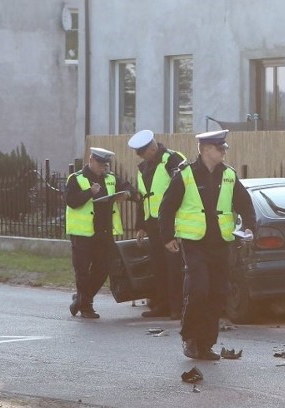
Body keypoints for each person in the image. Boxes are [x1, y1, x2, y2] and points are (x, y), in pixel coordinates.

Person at [158, 130, 256, 360]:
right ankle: (190, 339)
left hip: (221, 243)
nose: (223, 151)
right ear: (205, 150)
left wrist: (250, 225)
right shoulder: (185, 174)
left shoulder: (229, 175)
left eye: (224, 148)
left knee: (218, 293)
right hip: (195, 244)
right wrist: (167, 237)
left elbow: (244, 203)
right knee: (199, 290)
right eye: (219, 147)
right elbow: (167, 207)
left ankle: (206, 344)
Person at [65, 147, 136, 318]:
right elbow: (71, 201)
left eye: (105, 165)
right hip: (82, 234)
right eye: (100, 164)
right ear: (90, 160)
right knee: (82, 271)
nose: (103, 168)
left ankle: (80, 300)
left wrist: (126, 194)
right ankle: (86, 307)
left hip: (104, 232)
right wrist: (90, 192)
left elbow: (130, 188)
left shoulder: (110, 179)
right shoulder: (76, 179)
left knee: (103, 269)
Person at [127, 130, 187, 319]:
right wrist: (141, 226)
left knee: (175, 267)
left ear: (153, 148)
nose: (141, 157)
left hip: (173, 222)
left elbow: (185, 189)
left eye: (143, 152)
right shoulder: (143, 167)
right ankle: (162, 304)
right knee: (158, 266)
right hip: (153, 223)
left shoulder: (173, 159)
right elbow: (143, 198)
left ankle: (178, 307)